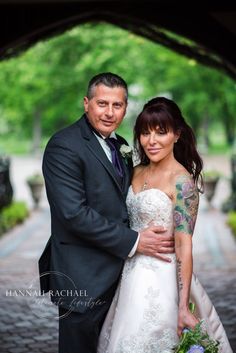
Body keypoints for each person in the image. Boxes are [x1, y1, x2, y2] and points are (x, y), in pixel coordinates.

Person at [38, 73, 175, 353]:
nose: (109, 113)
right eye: (102, 103)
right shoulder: (64, 145)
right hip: (83, 276)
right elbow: (73, 214)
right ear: (86, 103)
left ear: (126, 108)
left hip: (123, 278)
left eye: (117, 105)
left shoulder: (121, 144)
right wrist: (135, 241)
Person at [98, 97, 233, 353]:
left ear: (177, 134)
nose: (152, 141)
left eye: (161, 132)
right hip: (128, 275)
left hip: (164, 278)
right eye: (145, 133)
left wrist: (182, 306)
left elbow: (183, 245)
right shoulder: (135, 172)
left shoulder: (183, 183)